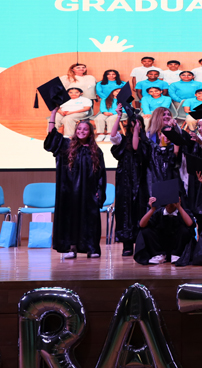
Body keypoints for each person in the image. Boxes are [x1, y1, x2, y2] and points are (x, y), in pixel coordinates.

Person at [45, 110, 106, 259]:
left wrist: (99, 191)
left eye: (85, 129)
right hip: (69, 192)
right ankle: (71, 248)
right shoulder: (66, 146)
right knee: (70, 219)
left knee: (90, 220)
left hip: (88, 193)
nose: (81, 131)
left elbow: (101, 175)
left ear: (90, 133)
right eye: (79, 129)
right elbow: (52, 135)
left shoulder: (96, 151)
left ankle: (92, 248)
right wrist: (53, 114)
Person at [109, 106, 150, 257]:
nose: (134, 127)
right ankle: (127, 245)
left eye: (137, 125)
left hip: (140, 181)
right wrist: (118, 117)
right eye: (132, 125)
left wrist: (137, 131)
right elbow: (113, 136)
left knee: (139, 210)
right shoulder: (122, 140)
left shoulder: (145, 143)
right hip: (124, 182)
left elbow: (135, 147)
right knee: (125, 211)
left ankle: (139, 243)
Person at [134, 196, 196, 265]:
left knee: (185, 230)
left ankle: (176, 255)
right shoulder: (158, 213)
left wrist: (179, 206)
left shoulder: (183, 212)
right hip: (161, 245)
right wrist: (152, 209)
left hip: (177, 246)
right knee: (145, 231)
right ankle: (158, 255)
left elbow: (190, 224)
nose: (169, 205)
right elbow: (142, 225)